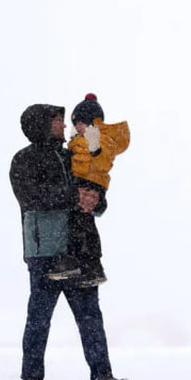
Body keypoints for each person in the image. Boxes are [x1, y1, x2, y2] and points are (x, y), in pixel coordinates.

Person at [10, 103, 130, 380]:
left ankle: (102, 379)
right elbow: (31, 197)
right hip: (45, 251)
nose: (63, 127)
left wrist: (96, 200)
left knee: (90, 317)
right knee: (39, 318)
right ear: (40, 125)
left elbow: (93, 189)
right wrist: (73, 196)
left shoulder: (72, 155)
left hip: (82, 250)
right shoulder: (23, 160)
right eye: (57, 121)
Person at [46, 93, 131, 286]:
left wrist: (95, 148)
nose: (76, 127)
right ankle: (88, 265)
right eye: (75, 124)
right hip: (80, 183)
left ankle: (83, 262)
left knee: (80, 223)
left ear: (92, 122)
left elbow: (103, 162)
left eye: (80, 123)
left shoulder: (103, 139)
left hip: (91, 183)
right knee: (81, 223)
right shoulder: (79, 140)